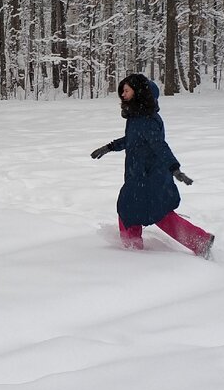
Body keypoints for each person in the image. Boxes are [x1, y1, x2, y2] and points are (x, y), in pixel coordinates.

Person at [90, 73, 215, 256]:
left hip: (146, 176)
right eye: (122, 91)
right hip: (144, 175)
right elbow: (133, 140)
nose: (122, 95)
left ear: (139, 92)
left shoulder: (146, 120)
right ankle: (200, 240)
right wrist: (110, 147)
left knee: (128, 210)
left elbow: (159, 145)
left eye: (126, 90)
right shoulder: (139, 117)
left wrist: (175, 168)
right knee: (158, 214)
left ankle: (131, 250)